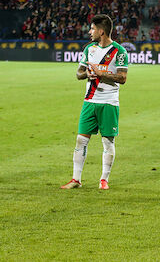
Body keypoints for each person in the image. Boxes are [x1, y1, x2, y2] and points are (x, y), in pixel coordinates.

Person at [61, 14, 129, 190]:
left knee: (108, 142)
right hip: (90, 100)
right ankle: (76, 179)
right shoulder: (89, 49)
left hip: (109, 102)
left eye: (92, 29)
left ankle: (104, 180)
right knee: (80, 140)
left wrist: (102, 74)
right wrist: (88, 74)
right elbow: (78, 73)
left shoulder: (119, 51)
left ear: (101, 31)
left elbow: (122, 78)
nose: (90, 32)